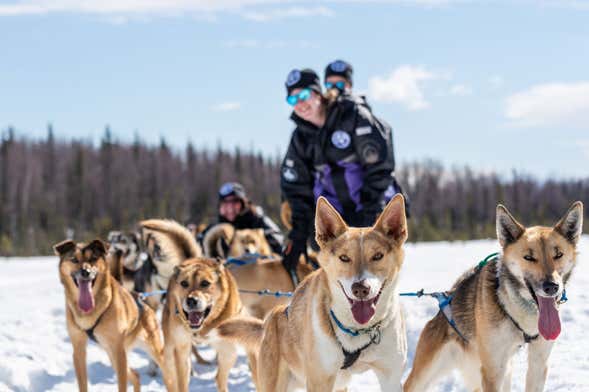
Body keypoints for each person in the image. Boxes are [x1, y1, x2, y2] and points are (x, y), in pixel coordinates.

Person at [280, 68, 407, 285]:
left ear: (318, 93)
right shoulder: (300, 138)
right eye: (292, 98)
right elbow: (296, 188)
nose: (299, 103)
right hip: (336, 219)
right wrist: (299, 233)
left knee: (373, 276)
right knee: (340, 283)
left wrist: (370, 211)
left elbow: (380, 166)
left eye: (303, 95)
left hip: (372, 210)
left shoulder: (352, 115)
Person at [201, 182, 284, 254]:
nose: (230, 208)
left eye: (234, 202)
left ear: (243, 203)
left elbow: (278, 239)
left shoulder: (257, 219)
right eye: (225, 203)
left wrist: (258, 241)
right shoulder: (216, 227)